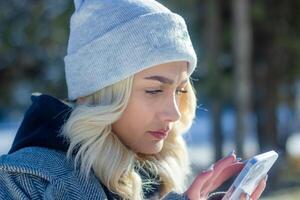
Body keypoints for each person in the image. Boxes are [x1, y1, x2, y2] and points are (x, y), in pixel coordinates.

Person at [0, 0, 267, 199]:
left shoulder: (150, 177)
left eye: (179, 90)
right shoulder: (22, 181)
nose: (174, 114)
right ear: (98, 93)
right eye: (154, 90)